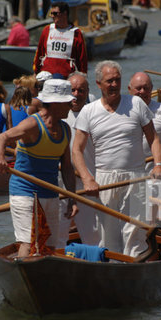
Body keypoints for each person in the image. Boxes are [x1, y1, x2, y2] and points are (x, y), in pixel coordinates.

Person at [72, 60, 161, 257]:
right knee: (108, 236)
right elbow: (76, 150)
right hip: (105, 179)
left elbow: (153, 138)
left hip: (136, 178)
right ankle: (114, 269)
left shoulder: (136, 103)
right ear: (99, 84)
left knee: (135, 232)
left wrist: (158, 165)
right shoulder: (89, 111)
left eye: (117, 80)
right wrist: (87, 178)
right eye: (109, 81)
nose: (114, 85)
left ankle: (134, 268)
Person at [0, 79, 78, 258]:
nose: (72, 105)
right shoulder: (32, 125)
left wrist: (72, 199)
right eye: (68, 101)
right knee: (28, 242)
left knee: (49, 245)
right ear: (56, 103)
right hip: (24, 191)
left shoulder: (65, 129)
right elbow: (2, 137)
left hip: (50, 193)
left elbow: (68, 169)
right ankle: (24, 276)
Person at [58, 72, 99, 247]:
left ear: (88, 92)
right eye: (72, 90)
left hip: (88, 185)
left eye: (81, 90)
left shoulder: (96, 115)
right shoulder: (57, 115)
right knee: (57, 236)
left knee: (94, 237)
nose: (76, 94)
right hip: (61, 185)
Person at [33, 1, 88, 79]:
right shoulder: (47, 30)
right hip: (47, 76)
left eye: (55, 13)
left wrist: (83, 76)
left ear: (64, 13)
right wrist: (36, 72)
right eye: (51, 13)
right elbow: (39, 53)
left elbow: (82, 59)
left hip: (67, 77)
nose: (52, 16)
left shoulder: (76, 33)